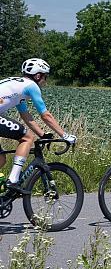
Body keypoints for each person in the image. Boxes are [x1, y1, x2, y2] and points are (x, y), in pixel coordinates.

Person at [0, 58, 77, 193]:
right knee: (27, 138)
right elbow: (45, 115)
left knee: (1, 159)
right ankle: (13, 180)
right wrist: (65, 135)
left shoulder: (19, 87)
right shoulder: (31, 86)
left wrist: (42, 134)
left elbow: (26, 115)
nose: (45, 82)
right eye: (45, 77)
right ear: (37, 75)